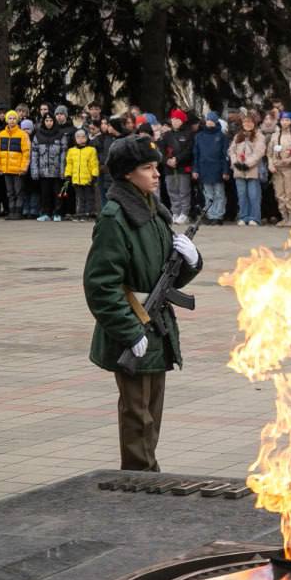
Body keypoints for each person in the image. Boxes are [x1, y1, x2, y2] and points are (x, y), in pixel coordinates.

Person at [84, 135, 204, 472]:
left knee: (152, 412)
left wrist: (191, 261)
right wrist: (129, 331)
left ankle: (147, 478)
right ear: (126, 174)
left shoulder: (154, 213)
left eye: (156, 168)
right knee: (138, 416)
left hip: (156, 327)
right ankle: (139, 482)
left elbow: (168, 277)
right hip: (133, 329)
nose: (156, 175)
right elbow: (100, 286)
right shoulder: (116, 218)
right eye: (147, 168)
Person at [228, 112, 266, 226]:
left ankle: (254, 217)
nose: (247, 124)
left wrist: (248, 164)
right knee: (242, 195)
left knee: (253, 195)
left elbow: (259, 152)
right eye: (245, 122)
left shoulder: (259, 136)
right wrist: (235, 162)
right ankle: (243, 216)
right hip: (239, 170)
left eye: (250, 122)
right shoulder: (238, 136)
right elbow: (232, 150)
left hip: (252, 170)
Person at [31, 111, 68, 221]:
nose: (48, 123)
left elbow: (63, 154)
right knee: (45, 193)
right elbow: (34, 154)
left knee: (58, 193)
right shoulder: (37, 135)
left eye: (51, 120)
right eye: (46, 120)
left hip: (56, 171)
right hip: (43, 171)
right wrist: (34, 170)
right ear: (43, 122)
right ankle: (46, 213)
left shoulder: (61, 135)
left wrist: (62, 170)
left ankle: (57, 213)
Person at [0, 109, 31, 219]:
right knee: (10, 192)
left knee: (18, 191)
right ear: (6, 120)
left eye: (14, 118)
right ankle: (11, 211)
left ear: (17, 120)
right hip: (6, 169)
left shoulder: (22, 134)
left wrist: (24, 167)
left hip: (18, 169)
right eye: (10, 118)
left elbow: (26, 152)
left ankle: (18, 211)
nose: (12, 120)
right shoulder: (1, 134)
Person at [266, 112, 291, 227]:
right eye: (283, 120)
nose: (284, 122)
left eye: (287, 120)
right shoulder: (275, 136)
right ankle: (284, 216)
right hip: (277, 169)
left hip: (290, 168)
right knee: (279, 193)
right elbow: (269, 153)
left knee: (290, 193)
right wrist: (270, 164)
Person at [160, 109, 194, 224]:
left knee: (184, 190)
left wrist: (177, 159)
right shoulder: (166, 135)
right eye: (173, 119)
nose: (174, 121)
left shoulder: (189, 134)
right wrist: (167, 160)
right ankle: (175, 211)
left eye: (177, 119)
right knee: (172, 190)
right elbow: (161, 151)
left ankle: (185, 213)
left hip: (182, 167)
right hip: (169, 168)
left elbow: (188, 150)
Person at [64, 128, 101, 220]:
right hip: (76, 179)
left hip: (88, 178)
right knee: (80, 197)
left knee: (89, 197)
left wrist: (94, 175)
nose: (81, 139)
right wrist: (68, 175)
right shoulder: (71, 151)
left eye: (83, 137)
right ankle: (80, 213)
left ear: (87, 138)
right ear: (75, 139)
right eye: (78, 137)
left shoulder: (91, 150)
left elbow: (94, 163)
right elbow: (69, 164)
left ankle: (89, 213)